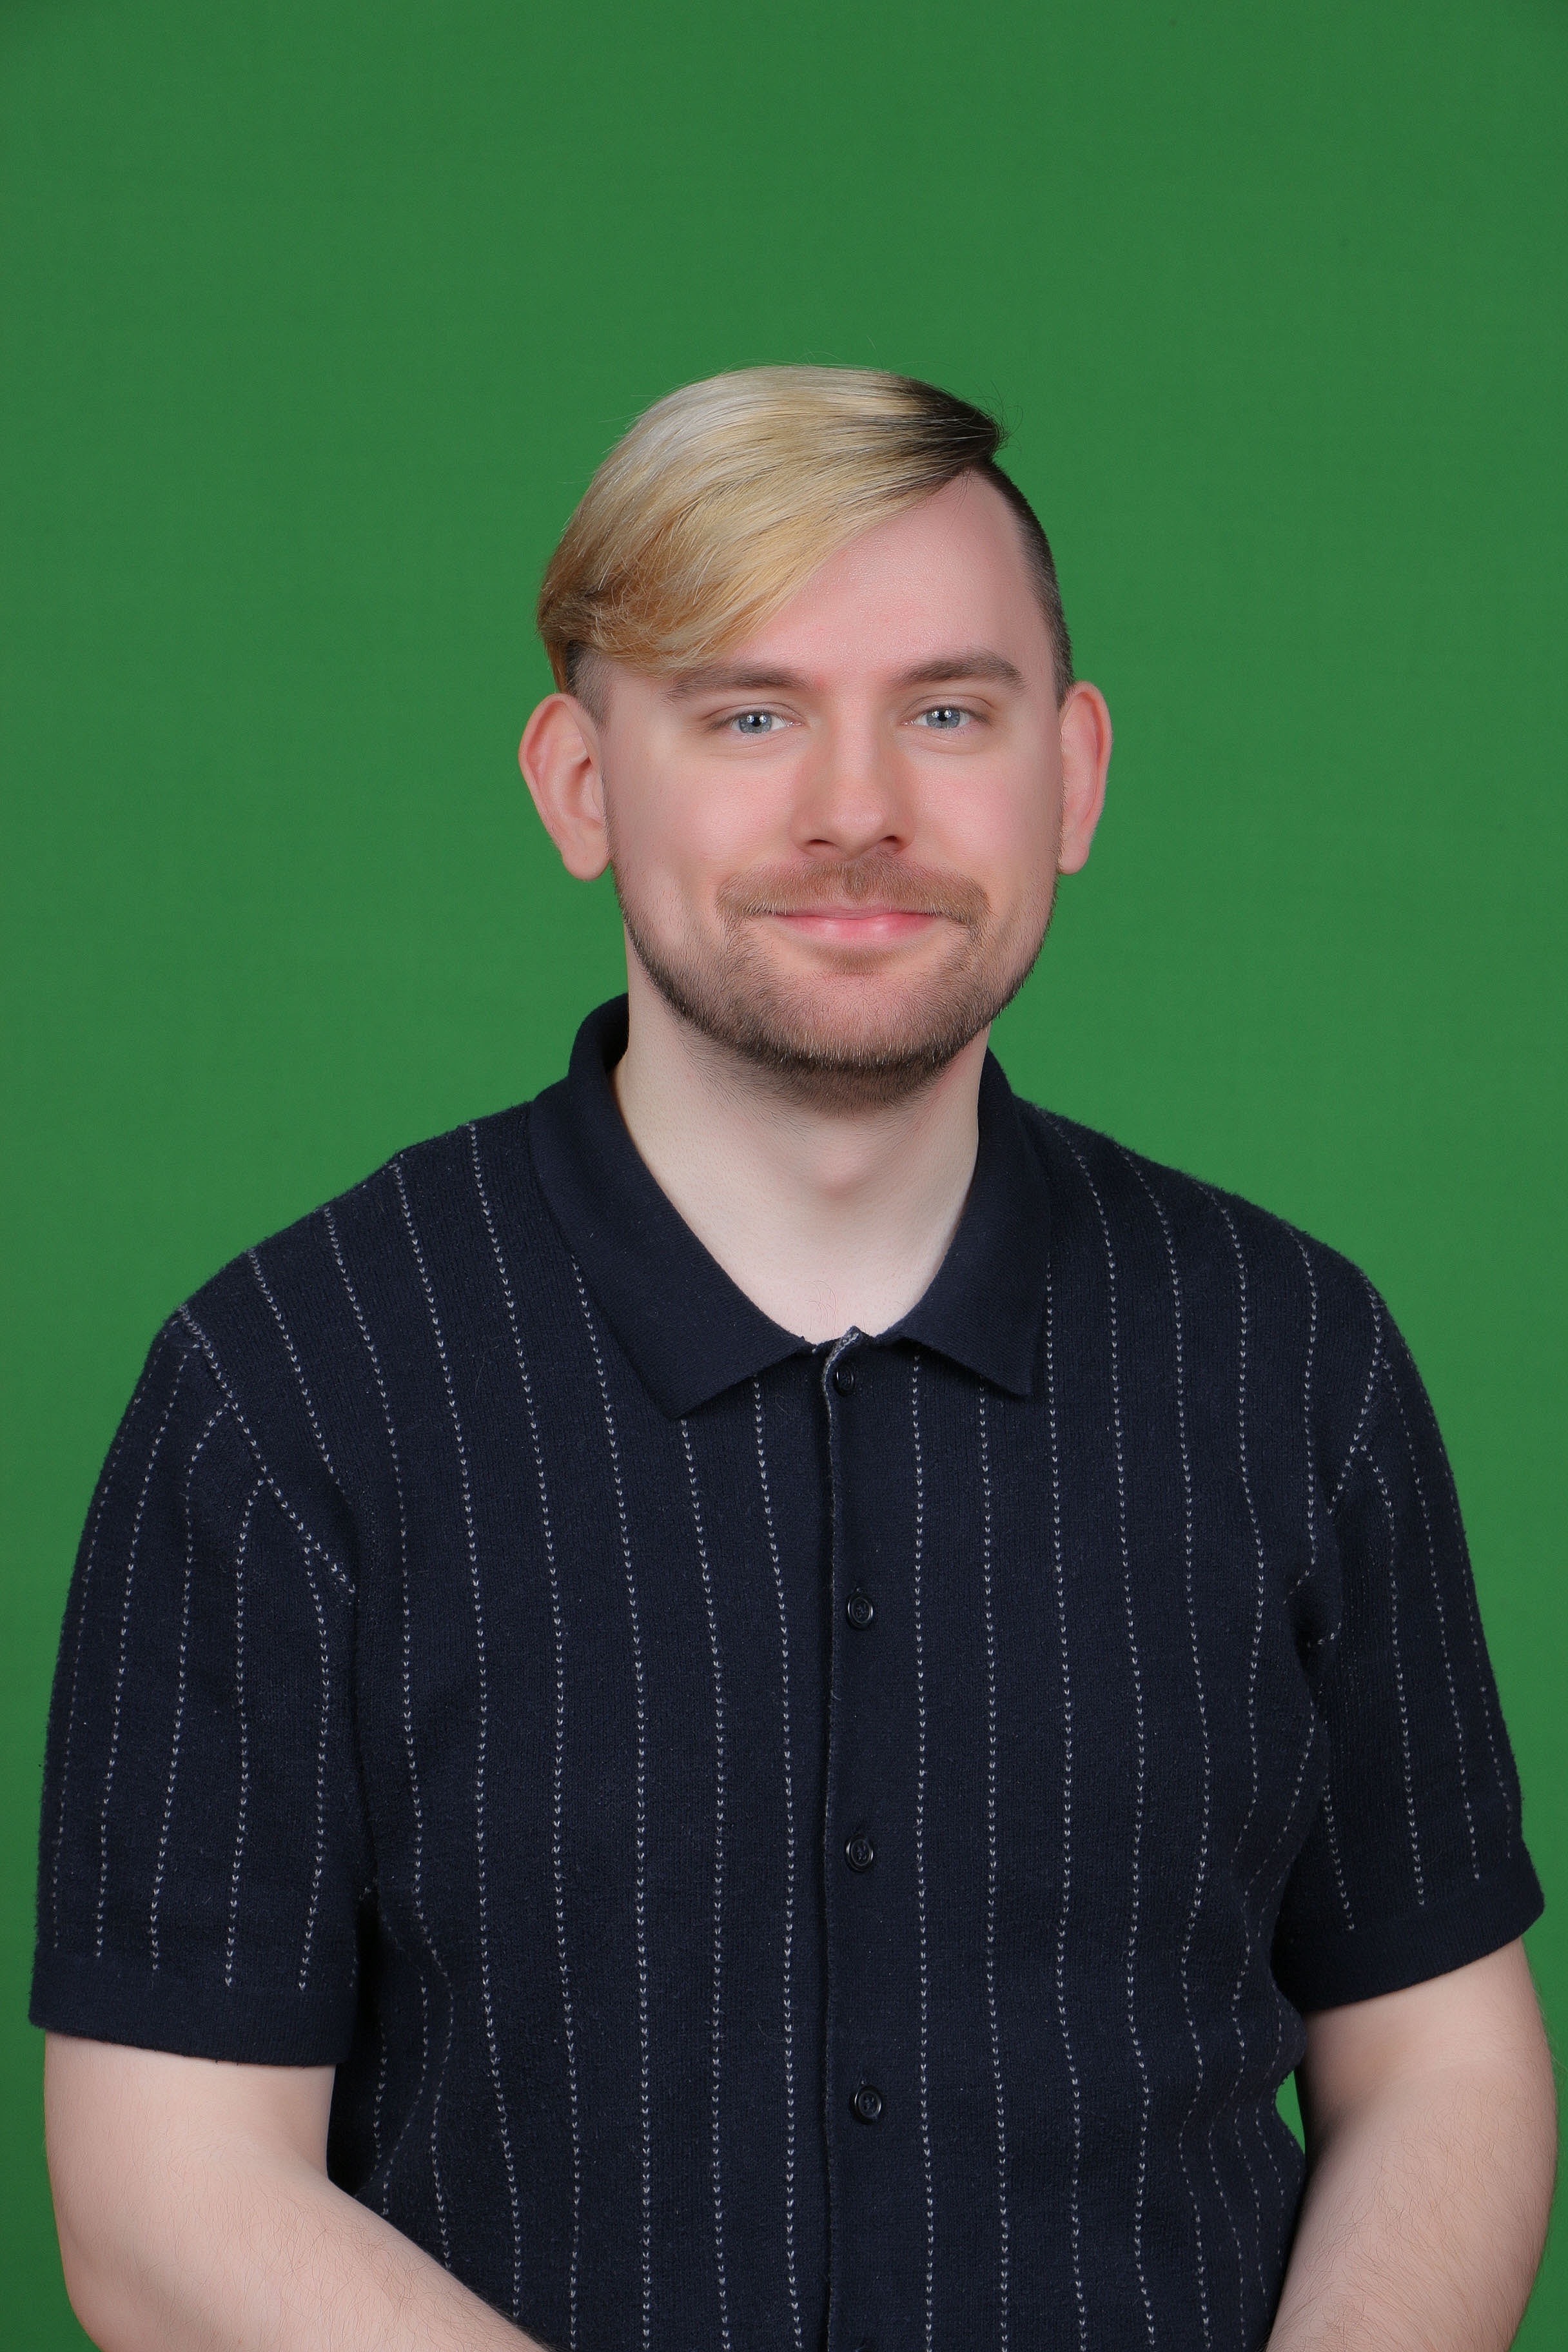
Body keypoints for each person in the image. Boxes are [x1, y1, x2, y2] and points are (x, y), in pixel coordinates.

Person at [34, 366, 1554, 2352]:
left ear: (1076, 774)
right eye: (750, 715)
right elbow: (164, 2195)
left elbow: (1440, 2060)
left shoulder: (1297, 1360)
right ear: (582, 785)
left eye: (949, 712)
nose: (858, 810)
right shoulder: (285, 1392)